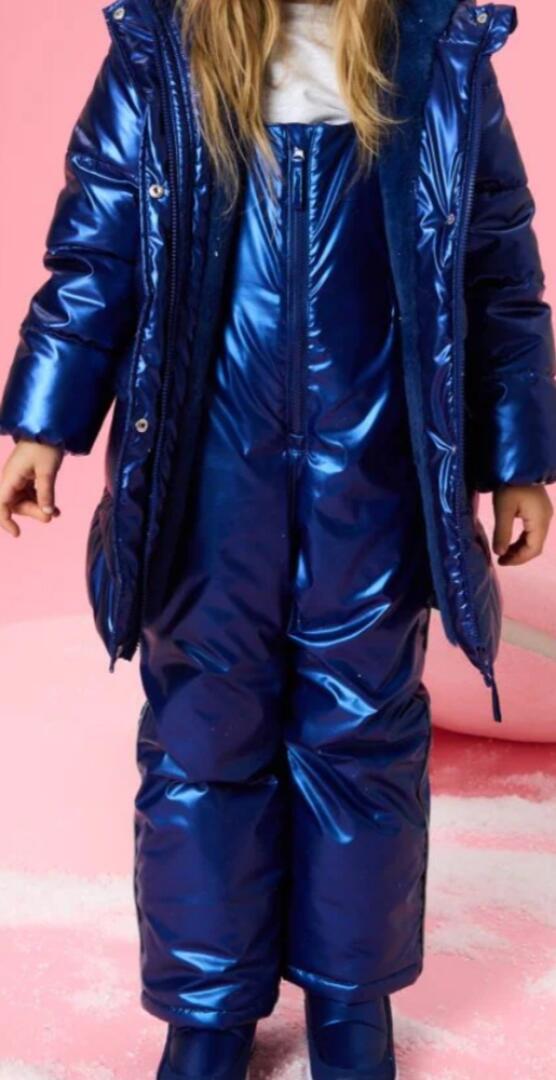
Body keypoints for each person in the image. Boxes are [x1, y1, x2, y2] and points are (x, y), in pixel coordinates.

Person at [1, 0, 555, 1077]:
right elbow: (95, 252)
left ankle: (352, 996)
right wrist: (42, 424)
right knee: (203, 733)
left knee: (363, 731)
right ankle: (209, 1003)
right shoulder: (163, 49)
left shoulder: (435, 50)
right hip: (207, 467)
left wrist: (517, 459)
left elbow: (497, 268)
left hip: (375, 467)